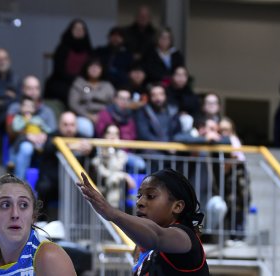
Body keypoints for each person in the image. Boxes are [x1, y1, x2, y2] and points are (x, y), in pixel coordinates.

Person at [77, 169, 209, 275]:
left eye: (150, 196)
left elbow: (156, 236)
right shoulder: (142, 247)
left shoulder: (184, 236)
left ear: (177, 206)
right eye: (139, 196)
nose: (139, 202)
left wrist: (112, 213)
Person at [0, 174, 76, 275]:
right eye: (5, 205)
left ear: (33, 216)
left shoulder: (49, 257)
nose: (15, 214)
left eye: (23, 205)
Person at [36, 112, 93, 221]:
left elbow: (93, 152)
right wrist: (71, 147)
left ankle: (78, 226)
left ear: (76, 126)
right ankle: (41, 222)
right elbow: (48, 147)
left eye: (72, 125)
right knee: (43, 187)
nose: (69, 128)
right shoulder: (52, 135)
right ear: (59, 125)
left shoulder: (83, 138)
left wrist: (90, 150)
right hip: (53, 182)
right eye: (65, 125)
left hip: (74, 182)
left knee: (86, 190)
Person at [95, 88, 146, 173]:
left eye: (127, 99)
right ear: (115, 99)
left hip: (124, 152)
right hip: (106, 152)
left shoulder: (130, 116)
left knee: (140, 164)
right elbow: (100, 133)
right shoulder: (105, 113)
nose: (124, 101)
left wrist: (122, 147)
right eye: (122, 98)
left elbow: (132, 136)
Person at [45, 19, 93, 107]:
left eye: (81, 29)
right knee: (68, 93)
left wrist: (81, 82)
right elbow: (59, 71)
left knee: (88, 92)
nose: (79, 31)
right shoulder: (62, 48)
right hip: (63, 82)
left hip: (83, 84)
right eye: (76, 28)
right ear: (71, 31)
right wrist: (75, 82)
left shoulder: (89, 50)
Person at [92, 125, 136, 209]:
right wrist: (124, 175)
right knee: (113, 180)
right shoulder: (96, 152)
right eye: (109, 133)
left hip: (114, 187)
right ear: (104, 136)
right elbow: (102, 172)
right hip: (98, 186)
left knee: (114, 182)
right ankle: (111, 218)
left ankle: (110, 218)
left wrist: (111, 153)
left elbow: (115, 170)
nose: (113, 137)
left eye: (116, 134)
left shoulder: (121, 154)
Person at [68, 58, 115, 137]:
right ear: (86, 68)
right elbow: (73, 104)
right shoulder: (79, 83)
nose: (94, 69)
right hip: (83, 116)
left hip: (103, 117)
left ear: (102, 70)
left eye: (97, 67)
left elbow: (113, 103)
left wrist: (102, 116)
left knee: (111, 128)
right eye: (91, 67)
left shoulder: (107, 86)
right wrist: (89, 116)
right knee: (86, 127)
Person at [9, 96, 53, 180]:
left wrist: (44, 134)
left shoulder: (38, 119)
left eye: (30, 106)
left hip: (38, 141)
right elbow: (16, 128)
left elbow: (47, 129)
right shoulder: (18, 118)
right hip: (24, 141)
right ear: (21, 108)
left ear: (34, 109)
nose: (28, 108)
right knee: (25, 147)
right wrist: (26, 121)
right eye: (25, 106)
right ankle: (19, 178)